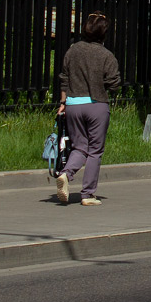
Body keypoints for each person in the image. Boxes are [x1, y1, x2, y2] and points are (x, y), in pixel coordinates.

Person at [55, 11, 121, 206]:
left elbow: (64, 79)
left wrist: (63, 103)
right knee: (95, 151)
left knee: (79, 147)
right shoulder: (106, 55)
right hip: (96, 105)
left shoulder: (72, 50)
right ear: (103, 34)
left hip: (73, 105)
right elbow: (114, 83)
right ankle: (88, 194)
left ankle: (65, 174)